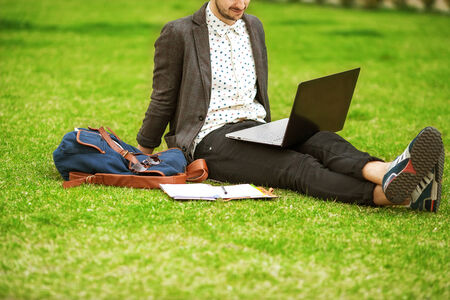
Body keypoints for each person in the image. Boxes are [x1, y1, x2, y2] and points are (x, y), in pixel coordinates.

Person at [136, 0, 444, 211]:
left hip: (255, 127)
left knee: (321, 138)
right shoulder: (179, 33)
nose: (241, 4)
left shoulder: (253, 26)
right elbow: (163, 96)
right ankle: (389, 195)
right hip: (210, 139)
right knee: (296, 166)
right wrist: (143, 155)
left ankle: (388, 172)